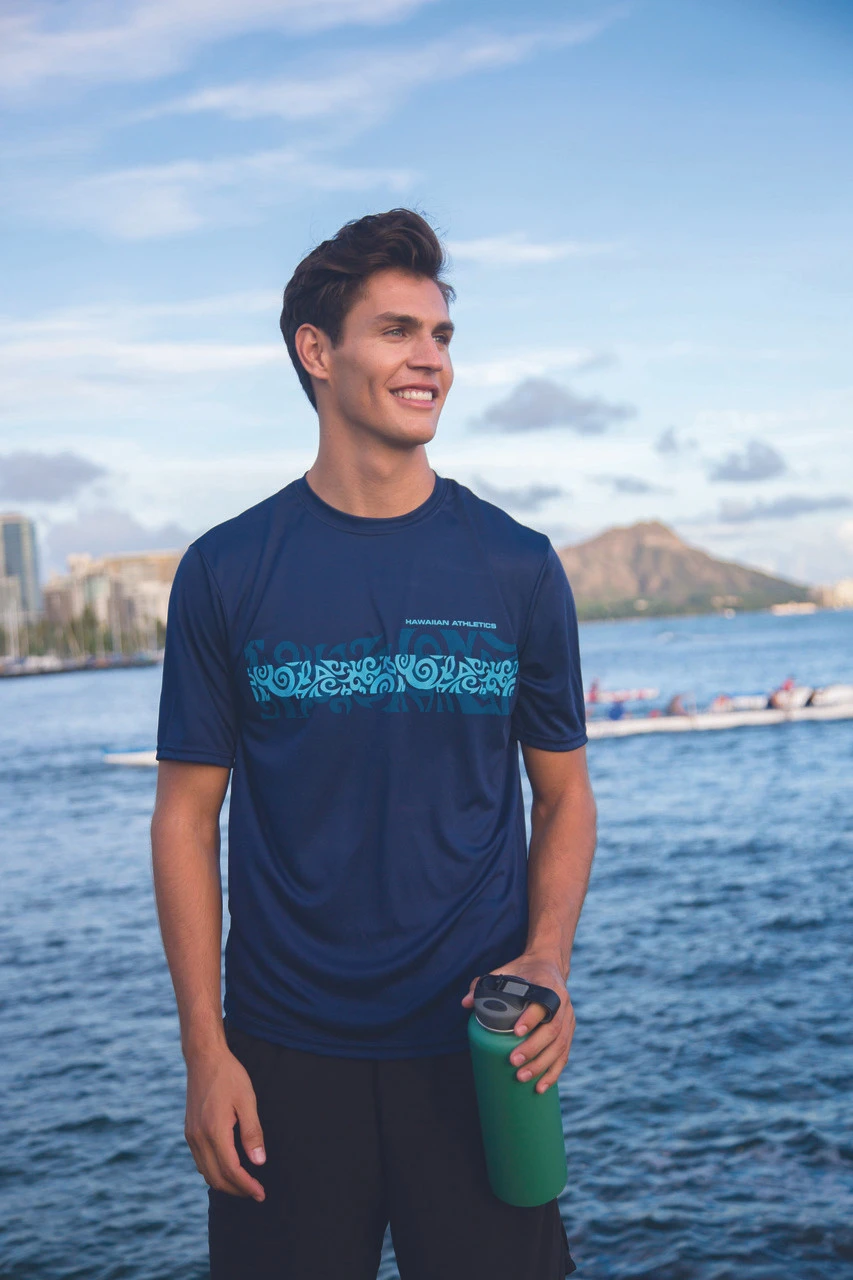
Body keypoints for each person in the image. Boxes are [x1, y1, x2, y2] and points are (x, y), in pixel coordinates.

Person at [151, 208, 597, 1280]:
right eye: (398, 331)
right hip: (282, 1057)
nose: (430, 359)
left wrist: (547, 954)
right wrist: (205, 1050)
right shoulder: (226, 570)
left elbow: (564, 794)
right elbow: (184, 820)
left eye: (440, 335)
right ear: (317, 350)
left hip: (480, 1046)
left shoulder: (517, 565)